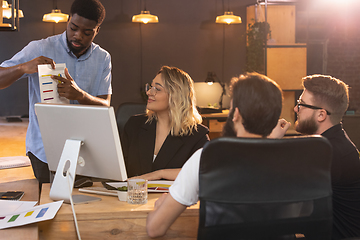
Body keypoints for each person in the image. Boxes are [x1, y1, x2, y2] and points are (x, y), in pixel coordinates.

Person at [146, 72, 283, 237]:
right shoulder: (291, 162)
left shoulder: (206, 159)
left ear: (236, 114)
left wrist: (160, 206)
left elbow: (155, 229)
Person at [0, 0, 111, 190]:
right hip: (44, 150)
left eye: (87, 33)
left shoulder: (103, 58)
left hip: (86, 151)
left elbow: (105, 106)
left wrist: (81, 95)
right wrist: (23, 68)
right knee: (51, 204)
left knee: (85, 207)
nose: (78, 36)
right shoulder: (39, 48)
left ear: (97, 30)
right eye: (74, 28)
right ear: (68, 21)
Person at [271, 74, 360, 239]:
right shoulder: (330, 143)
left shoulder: (331, 153)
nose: (295, 109)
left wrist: (269, 142)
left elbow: (280, 194)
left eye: (301, 104)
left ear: (321, 115)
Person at [121, 66, 209, 180]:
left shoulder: (197, 135)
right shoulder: (134, 125)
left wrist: (159, 174)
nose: (149, 92)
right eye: (150, 87)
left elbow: (203, 172)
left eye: (157, 89)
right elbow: (118, 168)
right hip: (133, 197)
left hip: (170, 198)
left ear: (175, 96)